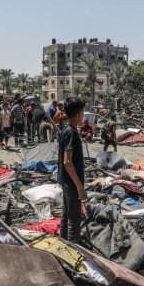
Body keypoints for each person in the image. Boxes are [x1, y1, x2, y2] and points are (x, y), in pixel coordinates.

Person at [58, 99, 87, 243]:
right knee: (74, 219)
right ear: (77, 114)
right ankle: (73, 250)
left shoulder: (66, 130)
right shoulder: (71, 133)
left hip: (65, 181)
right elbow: (67, 162)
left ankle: (63, 245)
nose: (83, 115)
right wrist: (79, 186)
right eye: (82, 112)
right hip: (71, 183)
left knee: (66, 215)